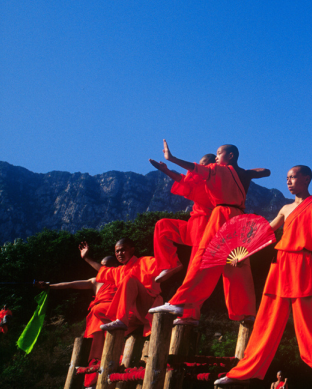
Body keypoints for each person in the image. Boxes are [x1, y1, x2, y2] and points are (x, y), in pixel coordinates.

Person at [215, 166, 312, 384]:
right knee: (266, 318)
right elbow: (265, 232)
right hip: (280, 263)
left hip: (304, 262)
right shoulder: (285, 208)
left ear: (307, 178)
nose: (288, 181)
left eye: (293, 177)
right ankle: (244, 371)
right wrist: (244, 253)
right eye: (287, 178)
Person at [149, 142, 270, 324]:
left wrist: (171, 158)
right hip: (239, 219)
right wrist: (246, 171)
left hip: (222, 215)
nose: (216, 157)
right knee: (238, 264)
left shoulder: (217, 170)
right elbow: (266, 172)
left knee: (205, 258)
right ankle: (246, 312)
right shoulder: (242, 174)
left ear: (230, 156)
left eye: (218, 153)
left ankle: (182, 302)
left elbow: (192, 167)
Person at [36, 244, 119, 386]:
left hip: (113, 313)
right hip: (97, 316)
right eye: (102, 265)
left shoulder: (120, 277)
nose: (102, 269)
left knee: (114, 345)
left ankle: (116, 373)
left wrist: (87, 258)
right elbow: (70, 284)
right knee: (96, 348)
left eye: (106, 266)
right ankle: (93, 381)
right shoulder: (95, 281)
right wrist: (49, 286)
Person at [149, 152, 217, 282]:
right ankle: (171, 264)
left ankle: (188, 290)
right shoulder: (199, 182)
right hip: (192, 227)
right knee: (163, 225)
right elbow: (185, 181)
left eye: (204, 164)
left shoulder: (211, 184)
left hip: (204, 228)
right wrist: (165, 170)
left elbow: (185, 182)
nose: (200, 166)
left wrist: (167, 168)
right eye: (200, 163)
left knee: (195, 267)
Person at [98, 238, 163, 332]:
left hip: (148, 306)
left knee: (129, 279)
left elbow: (164, 263)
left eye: (123, 250)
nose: (119, 253)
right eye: (117, 251)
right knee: (98, 309)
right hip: (133, 312)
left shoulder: (145, 261)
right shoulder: (119, 270)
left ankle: (121, 320)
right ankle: (128, 327)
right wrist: (86, 258)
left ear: (132, 250)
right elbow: (102, 271)